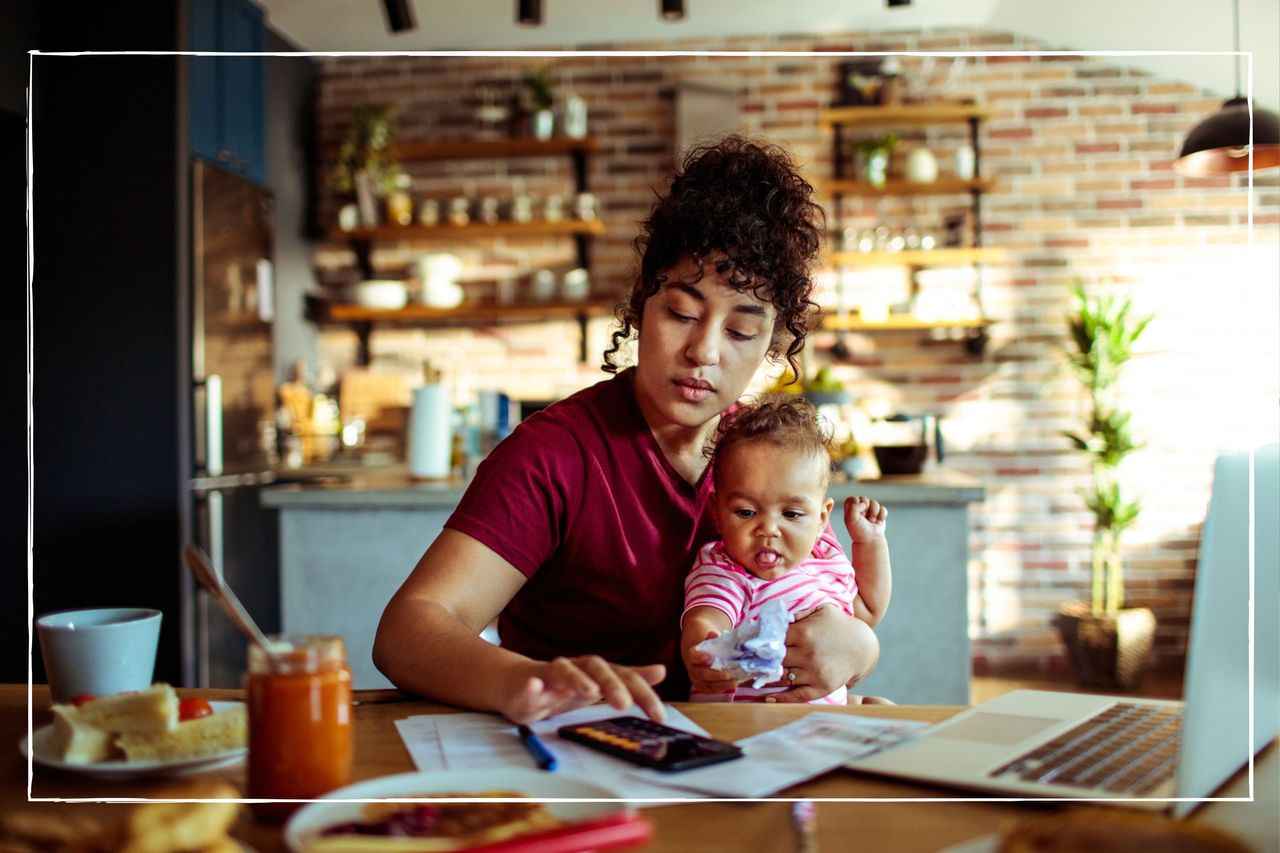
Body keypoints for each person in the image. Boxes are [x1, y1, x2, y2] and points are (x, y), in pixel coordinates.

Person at [373, 135, 881, 724]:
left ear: (774, 342)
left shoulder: (767, 456)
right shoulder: (556, 454)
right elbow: (408, 630)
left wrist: (858, 649)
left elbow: (825, 599)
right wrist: (524, 680)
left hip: (742, 749)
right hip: (583, 745)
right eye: (681, 314)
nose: (704, 351)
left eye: (741, 332)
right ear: (641, 304)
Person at [680, 394, 891, 704]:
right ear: (717, 514)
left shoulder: (825, 560)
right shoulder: (726, 569)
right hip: (751, 721)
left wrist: (869, 543)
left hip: (818, 720)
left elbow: (868, 611)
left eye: (791, 514)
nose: (768, 529)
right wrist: (702, 648)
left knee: (882, 709)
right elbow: (708, 617)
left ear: (821, 519)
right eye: (746, 512)